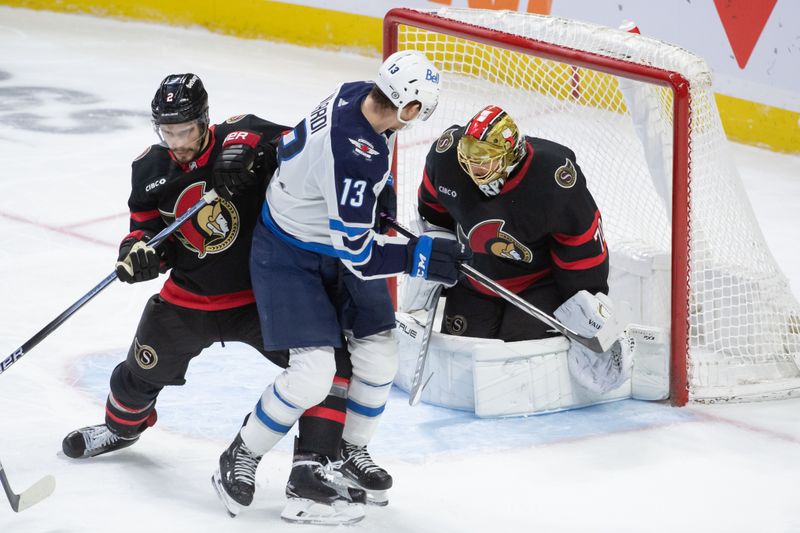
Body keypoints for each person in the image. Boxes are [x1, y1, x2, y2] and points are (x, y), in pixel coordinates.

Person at [61, 74, 355, 511]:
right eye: (168, 132)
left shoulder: (238, 134)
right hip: (188, 300)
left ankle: (311, 464)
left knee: (333, 366)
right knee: (138, 377)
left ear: (205, 121)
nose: (177, 141)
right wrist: (138, 254)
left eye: (186, 130)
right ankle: (122, 430)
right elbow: (144, 231)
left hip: (261, 299)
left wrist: (251, 148)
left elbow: (295, 139)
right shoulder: (149, 171)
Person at [212, 51, 471, 523]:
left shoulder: (358, 96)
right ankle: (241, 452)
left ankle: (347, 453)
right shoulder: (355, 155)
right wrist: (421, 258)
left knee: (380, 353)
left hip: (327, 237)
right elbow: (360, 254)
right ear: (409, 107)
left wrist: (381, 194)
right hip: (290, 253)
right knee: (312, 372)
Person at [412, 104, 627, 393]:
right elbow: (433, 215)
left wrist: (586, 306)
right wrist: (436, 265)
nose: (472, 167)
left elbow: (580, 247)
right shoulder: (446, 159)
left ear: (509, 155)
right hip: (474, 278)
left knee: (519, 362)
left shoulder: (552, 180)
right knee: (462, 358)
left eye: (484, 159)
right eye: (468, 157)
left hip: (537, 286)